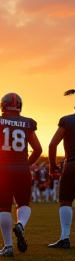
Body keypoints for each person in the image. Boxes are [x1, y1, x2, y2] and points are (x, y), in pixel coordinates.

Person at [0, 93, 42, 257]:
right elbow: (38, 149)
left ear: (3, 106)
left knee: (4, 207)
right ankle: (20, 224)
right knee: (24, 204)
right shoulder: (27, 123)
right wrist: (26, 163)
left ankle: (8, 246)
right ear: (19, 106)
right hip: (21, 168)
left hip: (2, 168)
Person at [47, 88, 75, 249]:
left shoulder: (67, 120)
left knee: (65, 201)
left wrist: (52, 165)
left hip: (71, 165)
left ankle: (65, 237)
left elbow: (52, 144)